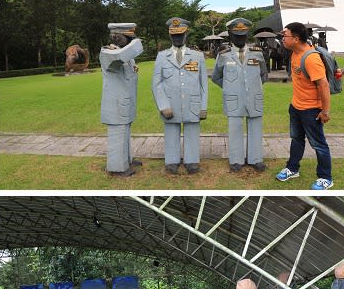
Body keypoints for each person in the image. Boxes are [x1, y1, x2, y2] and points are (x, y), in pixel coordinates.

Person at [275, 22, 333, 190]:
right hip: (296, 107)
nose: (282, 38)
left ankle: (325, 177)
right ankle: (293, 168)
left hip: (311, 110)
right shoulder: (294, 53)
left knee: (318, 144)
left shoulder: (311, 58)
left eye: (285, 35)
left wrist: (325, 111)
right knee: (296, 139)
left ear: (296, 38)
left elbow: (323, 85)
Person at [211, 18, 269, 172]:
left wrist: (252, 87)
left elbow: (263, 74)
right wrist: (231, 87)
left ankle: (255, 159)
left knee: (255, 128)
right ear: (230, 35)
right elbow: (216, 77)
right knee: (235, 129)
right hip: (233, 98)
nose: (240, 39)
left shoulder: (257, 53)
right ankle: (236, 160)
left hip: (254, 97)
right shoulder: (223, 55)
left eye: (243, 36)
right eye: (237, 36)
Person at [152, 17, 208, 174]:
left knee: (192, 131)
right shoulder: (162, 56)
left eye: (180, 35)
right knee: (171, 132)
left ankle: (191, 161)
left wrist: (203, 106)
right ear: (170, 35)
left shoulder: (197, 56)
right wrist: (163, 106)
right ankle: (172, 161)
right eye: (174, 35)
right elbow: (156, 84)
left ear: (186, 34)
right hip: (171, 104)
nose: (177, 38)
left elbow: (204, 84)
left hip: (192, 103)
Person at [100, 23, 143, 177]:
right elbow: (126, 54)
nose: (132, 41)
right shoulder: (108, 53)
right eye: (129, 38)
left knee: (125, 132)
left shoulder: (124, 54)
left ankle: (126, 160)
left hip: (125, 103)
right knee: (118, 133)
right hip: (116, 105)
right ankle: (117, 168)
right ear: (116, 37)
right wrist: (136, 42)